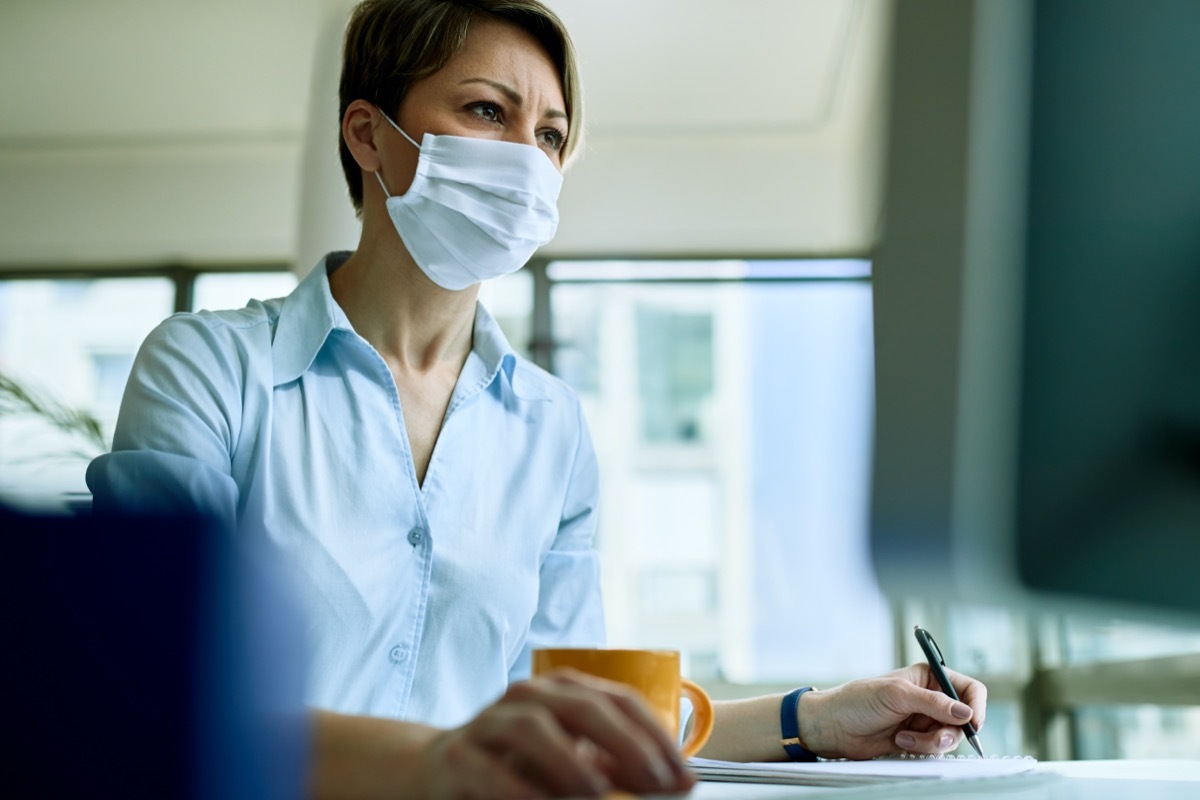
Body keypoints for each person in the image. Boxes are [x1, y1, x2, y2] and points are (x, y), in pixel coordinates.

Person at [87, 0, 988, 797]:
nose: (528, 159)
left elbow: (583, 716)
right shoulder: (209, 370)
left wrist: (821, 718)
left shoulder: (549, 426)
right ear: (368, 135)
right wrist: (433, 768)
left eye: (551, 136)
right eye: (488, 110)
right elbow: (157, 697)